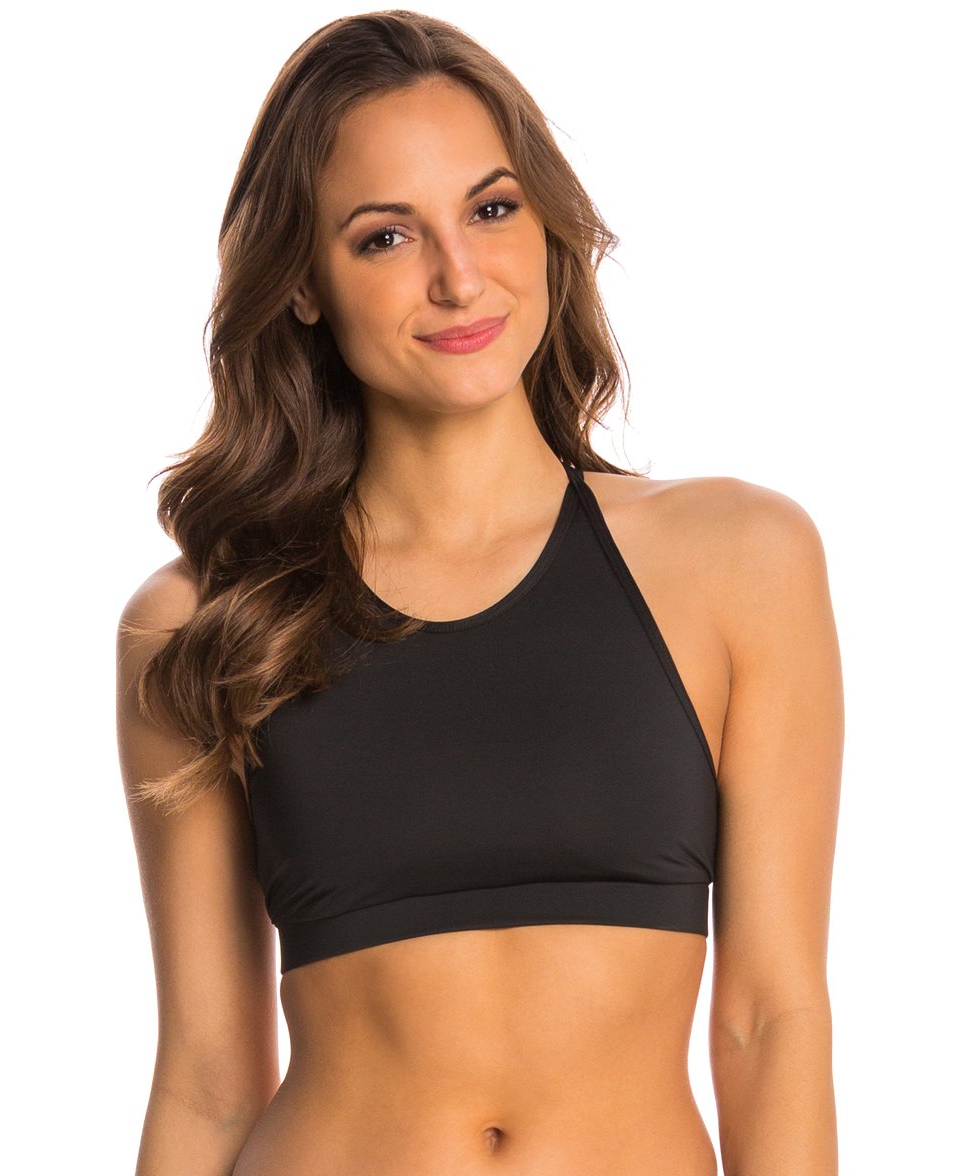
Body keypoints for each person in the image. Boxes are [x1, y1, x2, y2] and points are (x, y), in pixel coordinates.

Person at [116, 10, 843, 1175]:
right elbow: (207, 1080)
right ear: (301, 284)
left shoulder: (740, 559)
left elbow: (772, 1019)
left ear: (547, 224)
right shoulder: (203, 623)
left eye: (492, 210)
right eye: (384, 236)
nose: (459, 277)